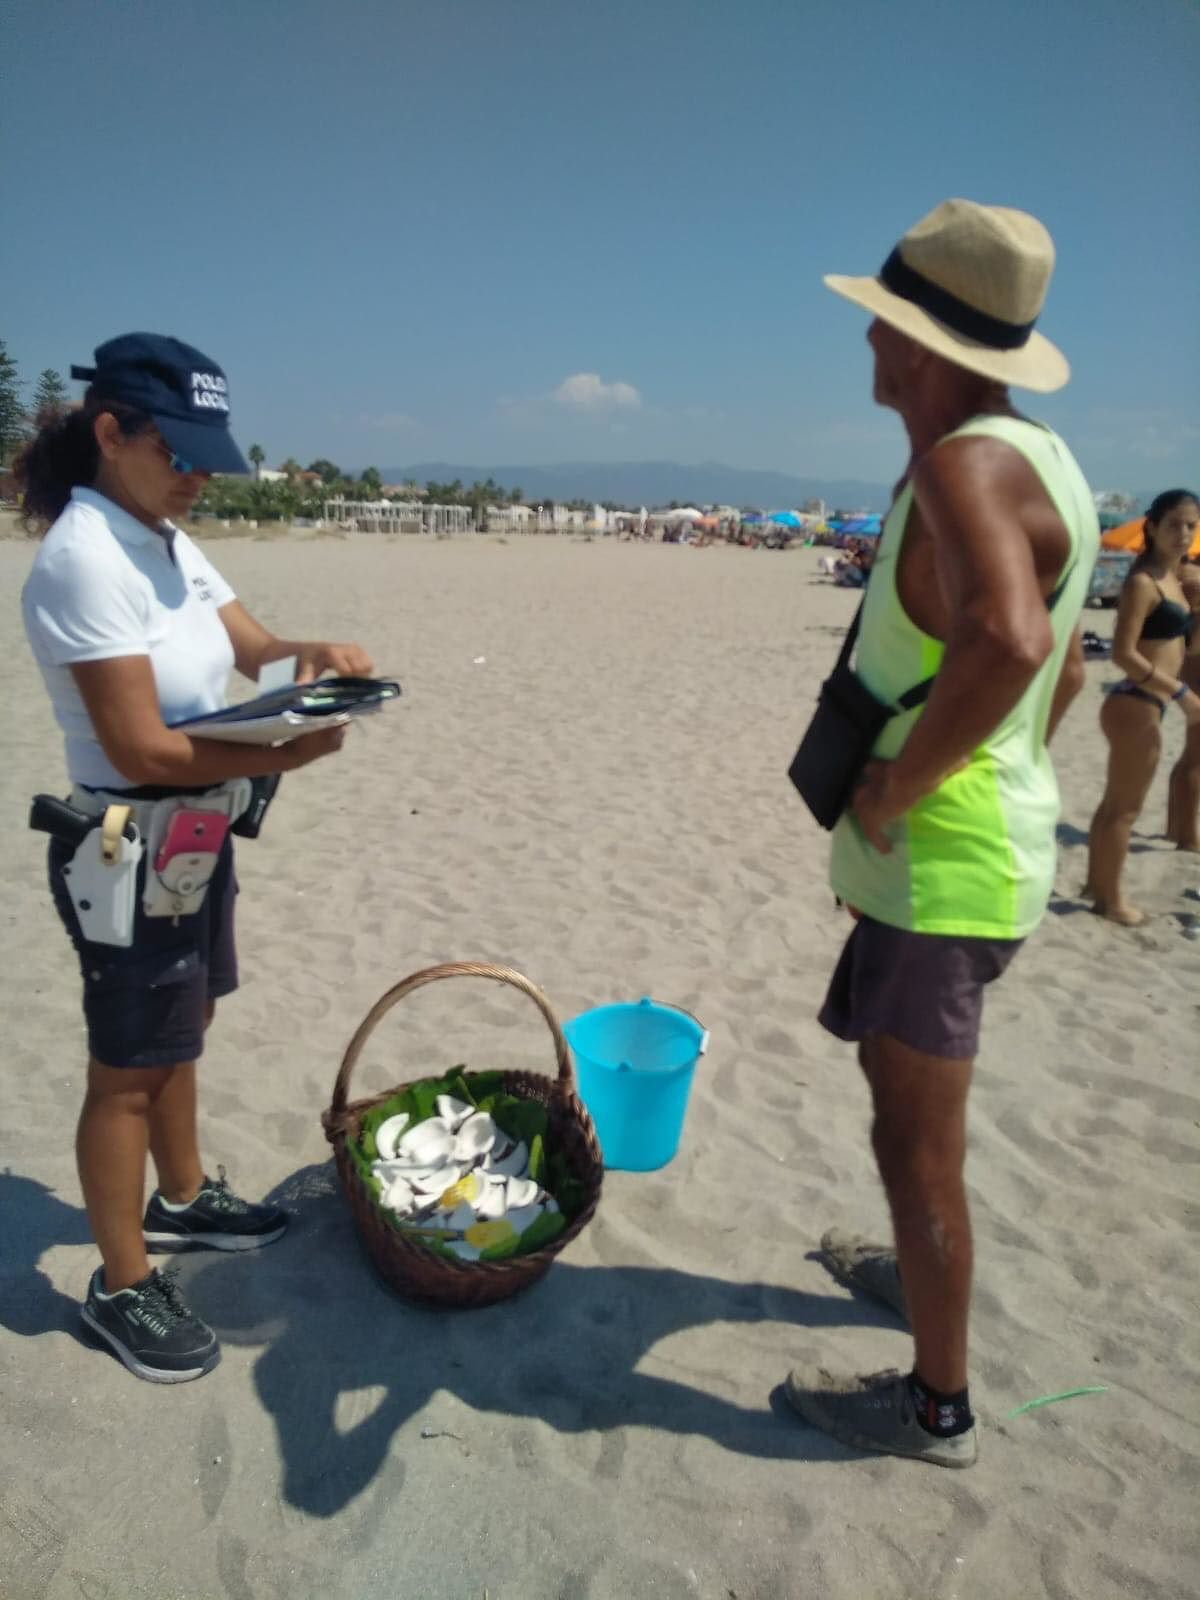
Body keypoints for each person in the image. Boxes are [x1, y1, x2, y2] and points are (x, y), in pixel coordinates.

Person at [782, 200, 1099, 1467]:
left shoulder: (963, 465)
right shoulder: (1041, 459)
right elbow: (1063, 669)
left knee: (917, 1149)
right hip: (975, 849)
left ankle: (936, 1405)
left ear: (919, 343)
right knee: (902, 1116)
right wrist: (1000, 765)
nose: (867, 342)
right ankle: (912, 1277)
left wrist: (902, 788)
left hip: (943, 870)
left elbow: (1015, 643)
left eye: (880, 322)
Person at [18, 333, 374, 1384]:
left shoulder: (165, 535)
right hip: (127, 847)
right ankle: (121, 1281)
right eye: (177, 453)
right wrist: (287, 754)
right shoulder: (84, 556)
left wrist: (308, 655)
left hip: (195, 838)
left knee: (183, 1030)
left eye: (208, 457)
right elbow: (137, 747)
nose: (197, 477)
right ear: (110, 431)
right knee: (126, 1071)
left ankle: (180, 1198)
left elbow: (246, 645)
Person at [1087, 490, 1200, 914]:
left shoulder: (1174, 579)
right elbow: (1122, 653)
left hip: (1147, 703)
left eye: (1191, 525)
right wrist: (1180, 692)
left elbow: (1186, 648)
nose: (1183, 533)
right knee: (1125, 811)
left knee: (1114, 805)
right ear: (1151, 527)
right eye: (1173, 524)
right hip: (1135, 702)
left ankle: (1097, 888)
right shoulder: (1143, 582)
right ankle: (1111, 900)